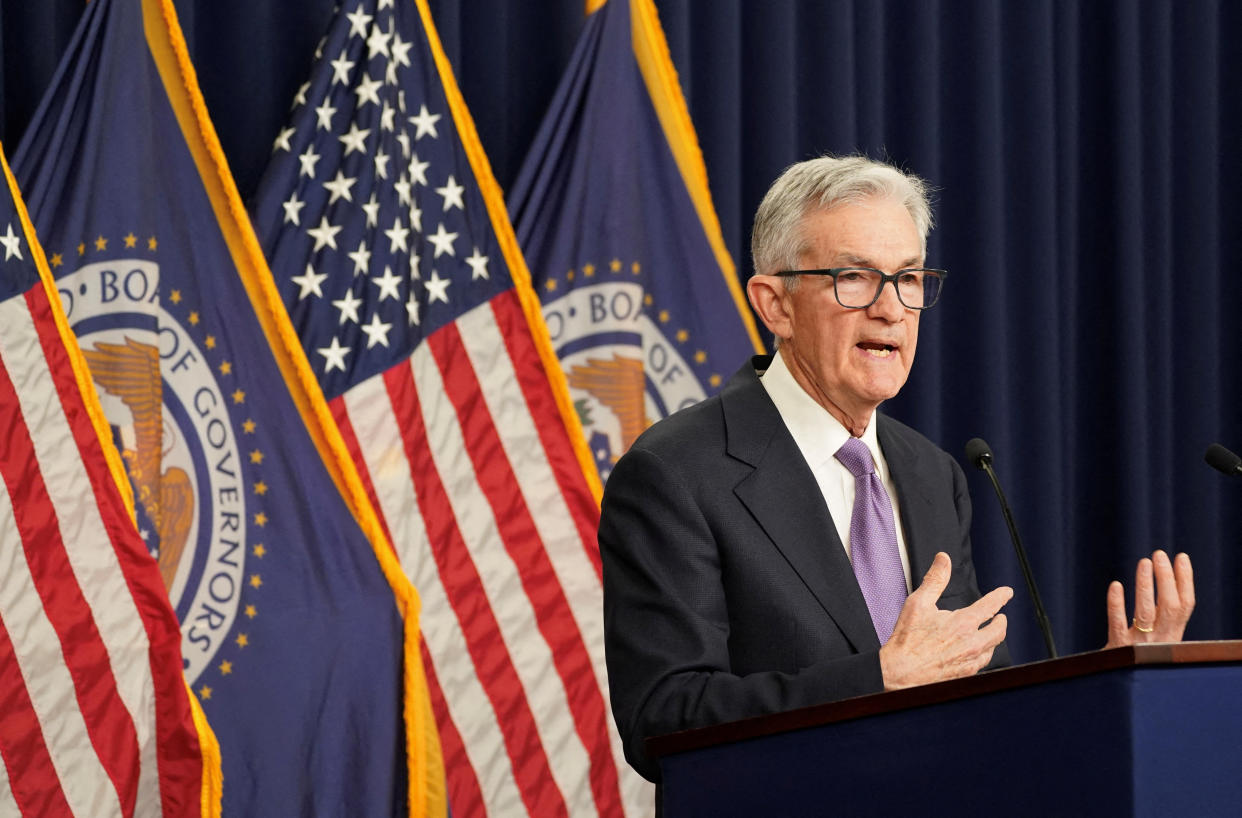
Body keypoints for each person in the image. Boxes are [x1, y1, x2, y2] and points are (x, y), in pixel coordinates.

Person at [597, 154, 1195, 782]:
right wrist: (880, 679)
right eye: (854, 277)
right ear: (775, 305)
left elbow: (981, 703)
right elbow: (662, 718)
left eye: (908, 278)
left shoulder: (932, 474)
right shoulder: (676, 473)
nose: (891, 309)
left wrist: (1109, 687)